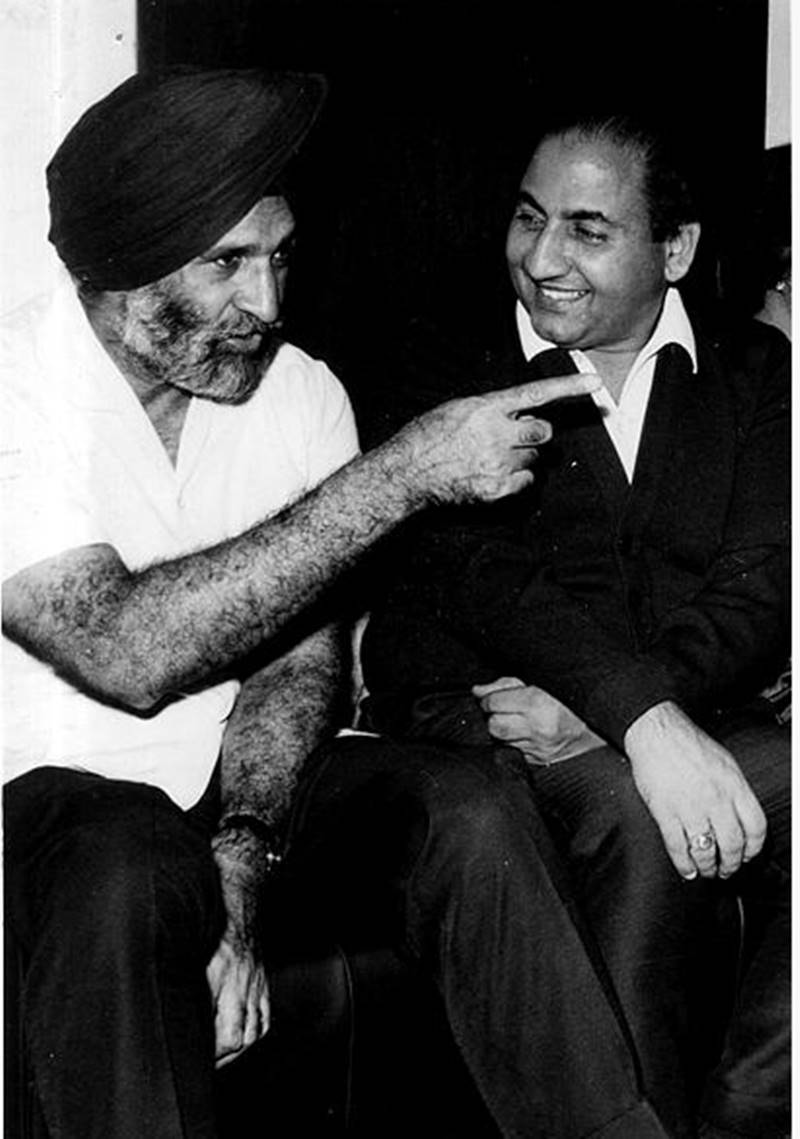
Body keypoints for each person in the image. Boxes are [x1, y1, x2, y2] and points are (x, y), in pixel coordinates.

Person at [0, 67, 598, 1139]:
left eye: (278, 258)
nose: (268, 305)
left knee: (463, 804)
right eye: (227, 264)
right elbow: (123, 649)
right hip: (53, 811)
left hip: (236, 786)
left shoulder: (299, 390)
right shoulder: (14, 388)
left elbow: (299, 655)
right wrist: (400, 474)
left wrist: (241, 853)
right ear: (120, 270)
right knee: (130, 853)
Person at [355, 113, 790, 1139]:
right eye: (528, 218)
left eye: (587, 230)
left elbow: (761, 585)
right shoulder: (438, 360)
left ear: (674, 250)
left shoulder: (755, 368)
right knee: (641, 811)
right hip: (483, 713)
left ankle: (743, 1116)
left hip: (659, 709)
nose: (542, 258)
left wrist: (626, 713)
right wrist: (638, 721)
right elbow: (483, 579)